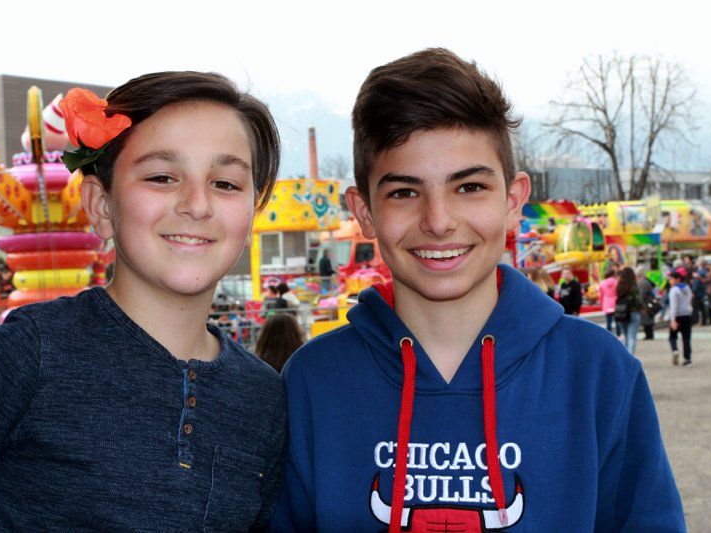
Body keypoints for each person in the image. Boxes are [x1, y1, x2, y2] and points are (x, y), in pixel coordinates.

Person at [269, 48, 683, 531]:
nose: (438, 221)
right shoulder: (312, 382)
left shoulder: (600, 373)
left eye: (469, 187)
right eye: (404, 192)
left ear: (513, 201)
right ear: (364, 212)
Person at [0, 72, 287, 529]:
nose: (197, 204)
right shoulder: (31, 353)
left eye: (227, 184)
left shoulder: (263, 397)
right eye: (161, 177)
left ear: (251, 213)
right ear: (100, 204)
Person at [667, 270, 694, 367]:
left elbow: (673, 306)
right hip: (687, 315)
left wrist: (673, 320)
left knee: (672, 337)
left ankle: (675, 350)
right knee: (686, 338)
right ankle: (687, 359)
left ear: (678, 279)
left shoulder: (674, 290)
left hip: (677, 316)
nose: (670, 281)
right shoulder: (687, 288)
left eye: (671, 279)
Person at [615, 267, 642, 354]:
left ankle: (625, 356)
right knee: (632, 336)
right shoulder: (634, 286)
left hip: (622, 313)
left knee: (626, 335)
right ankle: (630, 357)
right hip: (633, 312)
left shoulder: (620, 286)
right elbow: (638, 300)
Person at [636, 265, 658, 340]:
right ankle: (649, 334)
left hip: (646, 305)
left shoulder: (643, 283)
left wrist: (639, 304)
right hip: (647, 304)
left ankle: (649, 335)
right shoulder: (645, 281)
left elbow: (641, 295)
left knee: (647, 321)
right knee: (648, 320)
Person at [598, 268, 619, 334]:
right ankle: (619, 334)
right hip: (616, 302)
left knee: (608, 321)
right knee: (617, 321)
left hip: (607, 303)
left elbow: (601, 296)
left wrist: (601, 304)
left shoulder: (602, 283)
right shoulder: (616, 282)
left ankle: (609, 334)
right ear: (613, 274)